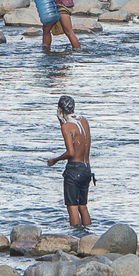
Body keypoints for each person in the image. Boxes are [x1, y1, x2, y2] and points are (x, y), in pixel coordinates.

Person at [46, 95, 93, 227]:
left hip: (74, 170)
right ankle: (88, 237)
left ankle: (75, 238)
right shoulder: (83, 120)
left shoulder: (66, 127)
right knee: (83, 206)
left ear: (60, 110)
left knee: (72, 208)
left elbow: (71, 152)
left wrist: (55, 160)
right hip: (86, 168)